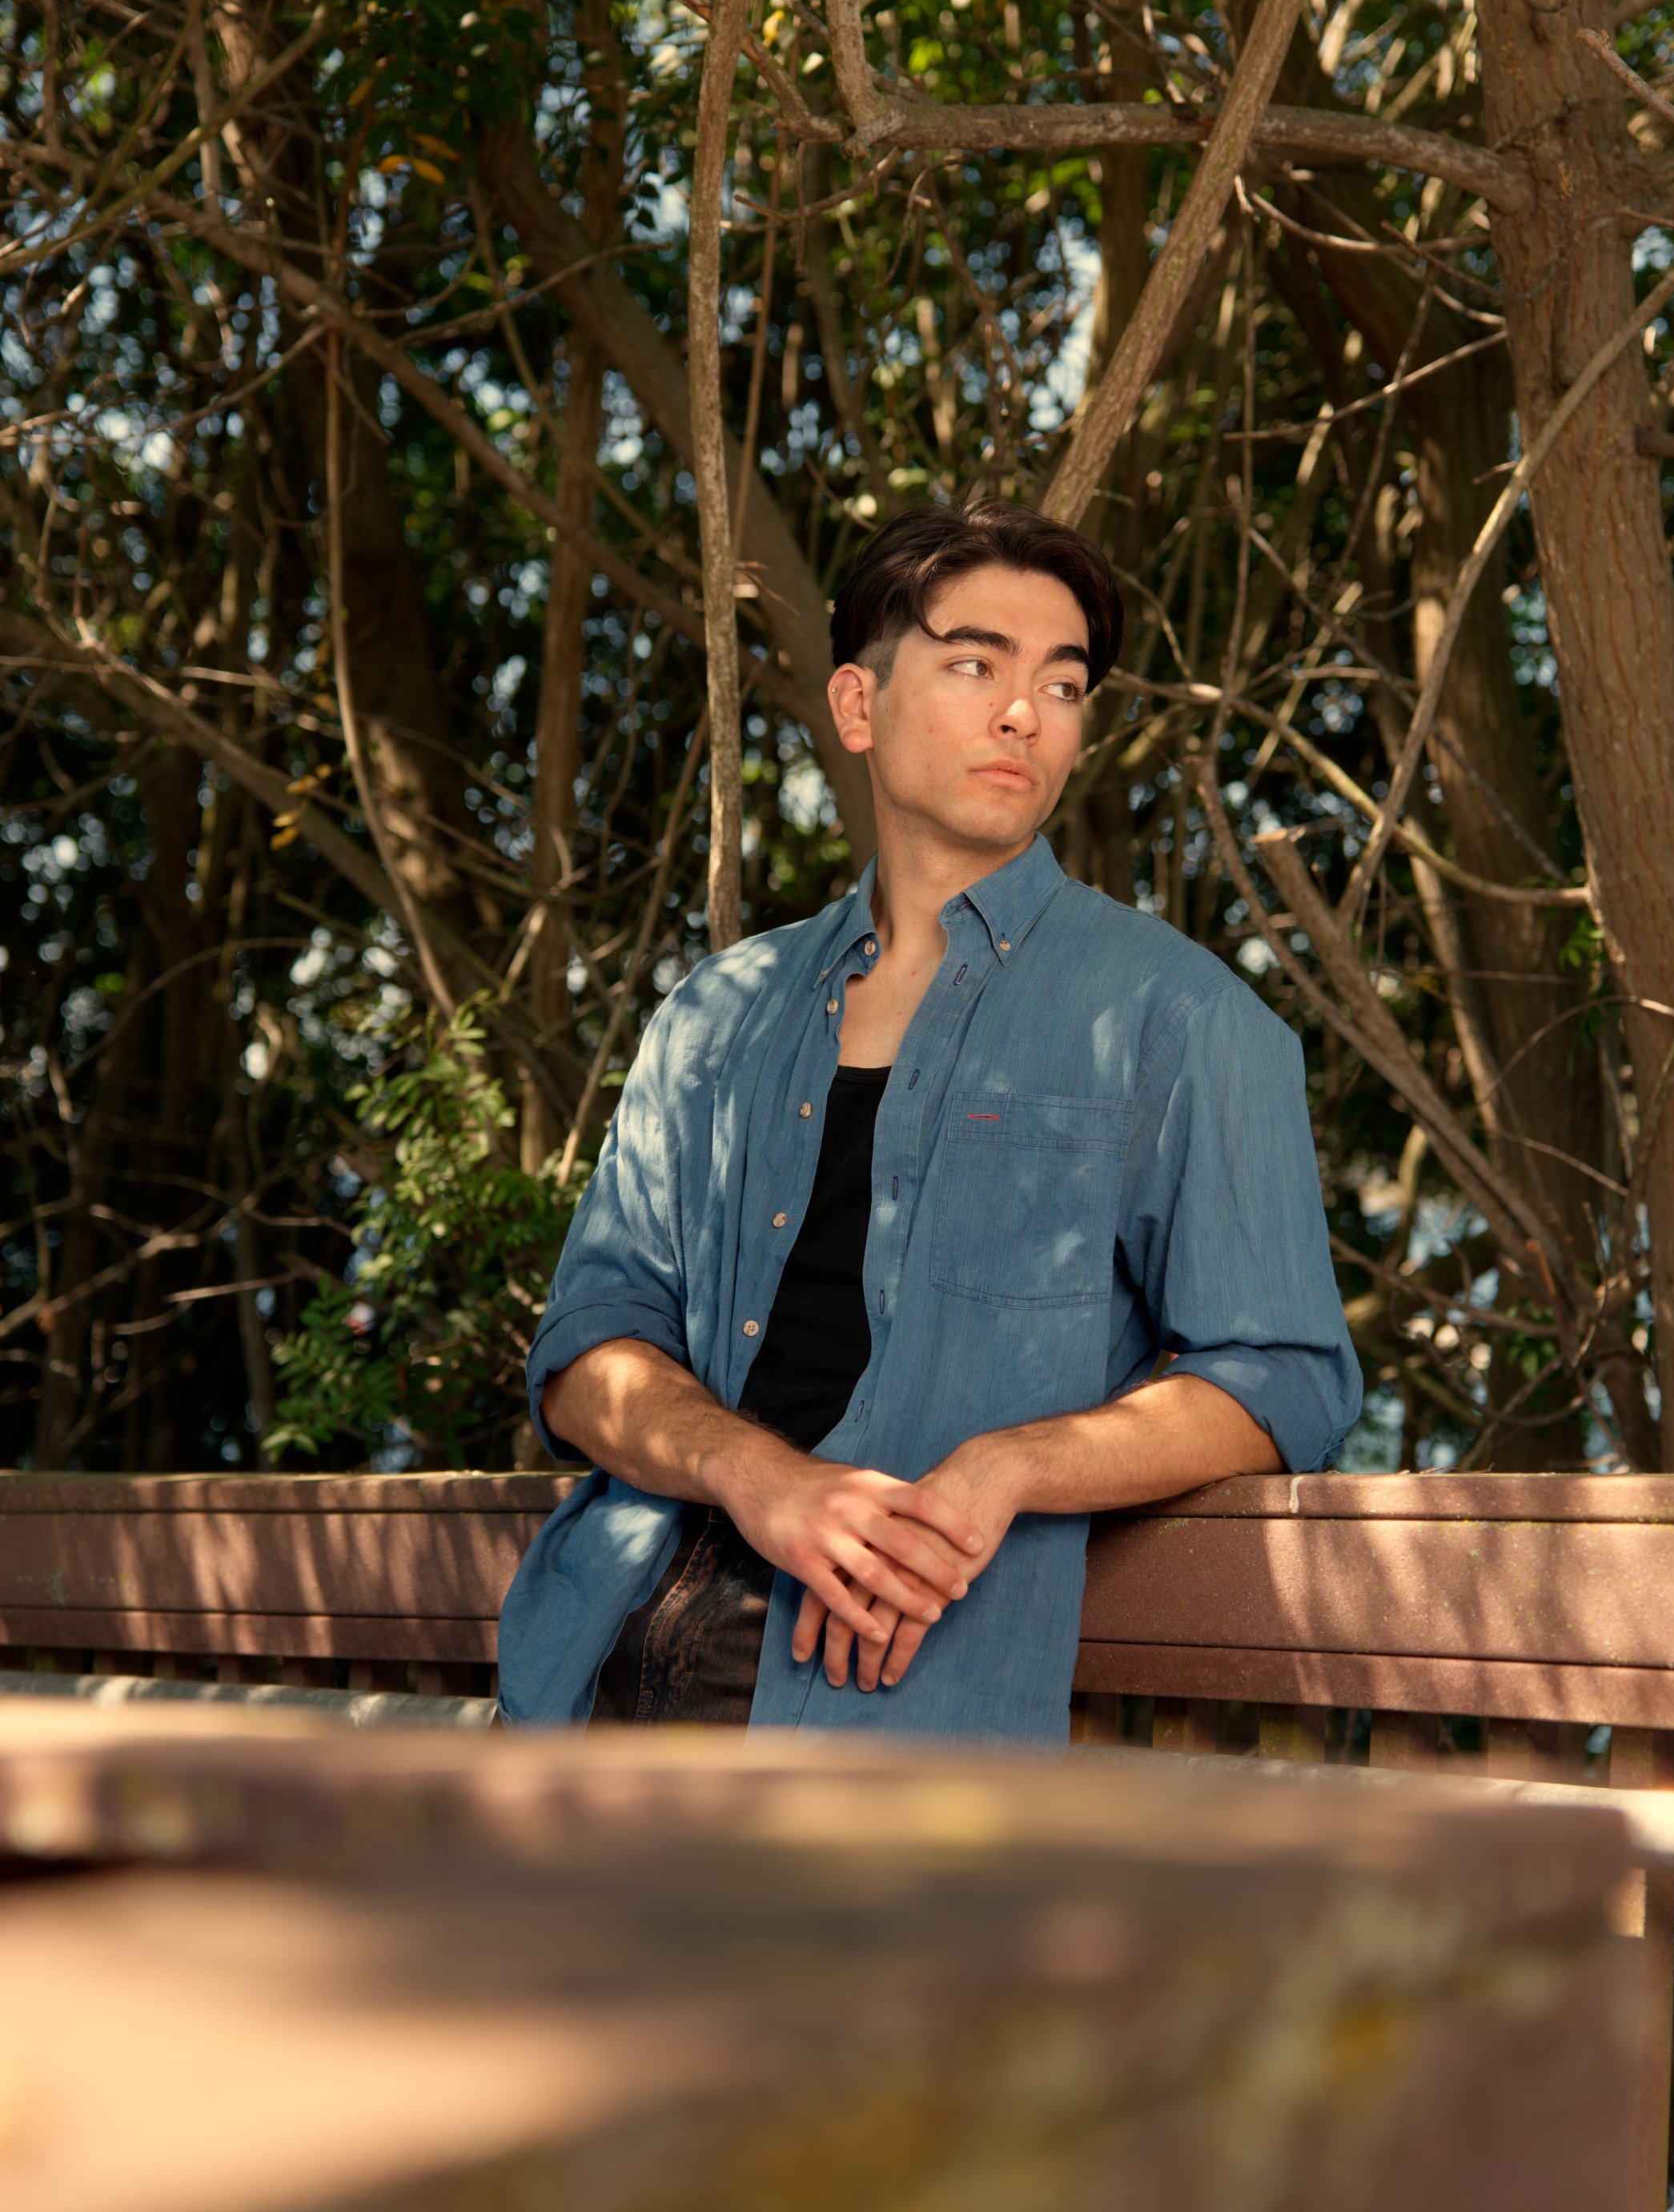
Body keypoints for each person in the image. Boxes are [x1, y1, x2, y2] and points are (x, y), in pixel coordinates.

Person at [499, 501, 1360, 1743]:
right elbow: (587, 1350)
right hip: (593, 1665)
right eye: (975, 665)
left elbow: (1285, 1376)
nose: (1024, 713)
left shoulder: (1182, 1020)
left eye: (1062, 685)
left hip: (885, 1707)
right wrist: (759, 1476)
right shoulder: (717, 1012)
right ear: (858, 707)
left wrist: (1002, 1470)